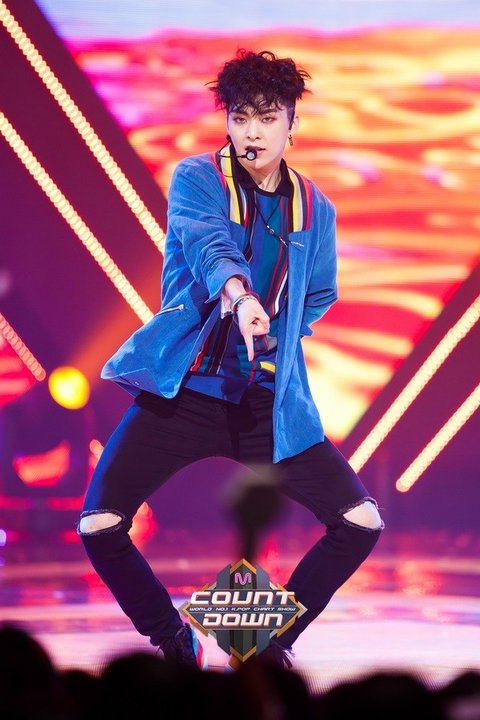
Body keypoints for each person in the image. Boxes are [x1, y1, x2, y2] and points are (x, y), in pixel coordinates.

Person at [78, 49, 384, 671]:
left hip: (264, 403)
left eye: (266, 119)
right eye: (240, 117)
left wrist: (278, 335)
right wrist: (242, 299)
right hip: (185, 393)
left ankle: (270, 644)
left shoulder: (314, 207)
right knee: (99, 523)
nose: (251, 133)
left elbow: (320, 291)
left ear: (291, 124)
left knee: (360, 520)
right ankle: (175, 640)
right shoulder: (198, 178)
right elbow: (210, 246)